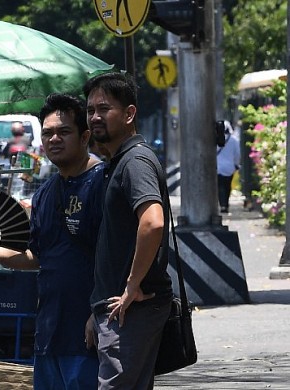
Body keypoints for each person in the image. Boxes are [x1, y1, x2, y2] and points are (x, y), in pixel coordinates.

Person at [0, 93, 104, 389]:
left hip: (91, 334)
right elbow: (36, 258)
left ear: (85, 137)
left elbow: (121, 257)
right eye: (48, 133)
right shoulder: (45, 193)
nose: (55, 139)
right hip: (49, 335)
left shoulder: (104, 183)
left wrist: (99, 314)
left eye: (64, 132)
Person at [83, 72, 173, 390]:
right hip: (117, 311)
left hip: (133, 310)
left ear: (129, 113)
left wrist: (132, 286)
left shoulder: (135, 161)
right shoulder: (119, 161)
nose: (95, 117)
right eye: (91, 109)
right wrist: (98, 310)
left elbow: (153, 222)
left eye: (104, 108)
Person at [216, 121, 240, 213]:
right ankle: (225, 203)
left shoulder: (215, 139)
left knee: (220, 186)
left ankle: (222, 205)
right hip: (230, 167)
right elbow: (237, 154)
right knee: (227, 186)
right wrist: (236, 164)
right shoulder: (234, 140)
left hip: (218, 167)